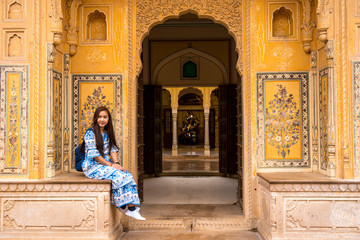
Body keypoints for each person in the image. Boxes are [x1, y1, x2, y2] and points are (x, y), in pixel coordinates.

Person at [82, 106, 145, 221]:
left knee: (127, 174)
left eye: (105, 117)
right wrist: (111, 165)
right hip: (92, 166)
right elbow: (95, 155)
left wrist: (117, 164)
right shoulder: (90, 133)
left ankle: (129, 208)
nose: (102, 119)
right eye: (100, 117)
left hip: (104, 165)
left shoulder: (106, 133)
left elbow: (112, 149)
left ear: (108, 119)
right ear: (96, 118)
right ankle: (126, 207)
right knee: (119, 176)